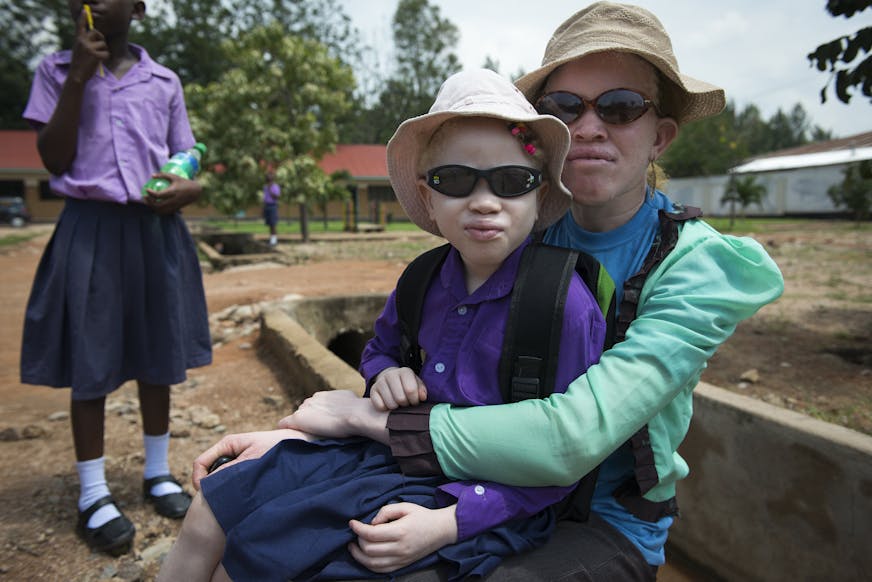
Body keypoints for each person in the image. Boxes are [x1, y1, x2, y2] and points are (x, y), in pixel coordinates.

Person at [195, 2, 785, 580]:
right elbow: (424, 350)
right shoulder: (512, 220)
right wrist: (292, 439)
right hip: (463, 476)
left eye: (622, 107)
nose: (590, 126)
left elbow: (571, 436)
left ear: (660, 136)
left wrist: (363, 420)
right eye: (565, 106)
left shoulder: (698, 266)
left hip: (598, 518)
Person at [158, 68, 608, 581]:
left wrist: (451, 523)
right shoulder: (422, 279)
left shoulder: (561, 306)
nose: (484, 201)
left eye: (510, 182)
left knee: (265, 560)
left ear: (538, 192)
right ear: (429, 194)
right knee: (213, 508)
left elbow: (562, 459)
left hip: (480, 493)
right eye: (456, 180)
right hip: (390, 453)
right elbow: (381, 349)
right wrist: (385, 372)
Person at [20, 0, 211, 556]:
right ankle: (93, 493)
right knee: (92, 355)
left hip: (155, 230)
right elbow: (54, 159)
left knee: (157, 353)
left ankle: (156, 474)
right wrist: (78, 77)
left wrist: (189, 188)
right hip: (91, 228)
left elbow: (186, 153)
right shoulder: (54, 71)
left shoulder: (164, 81)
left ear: (139, 8)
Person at [263, 170, 280, 246]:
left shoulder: (275, 186)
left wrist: (270, 190)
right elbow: (265, 198)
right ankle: (271, 239)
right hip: (267, 206)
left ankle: (274, 241)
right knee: (269, 224)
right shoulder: (265, 187)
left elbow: (276, 196)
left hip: (273, 206)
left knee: (273, 224)